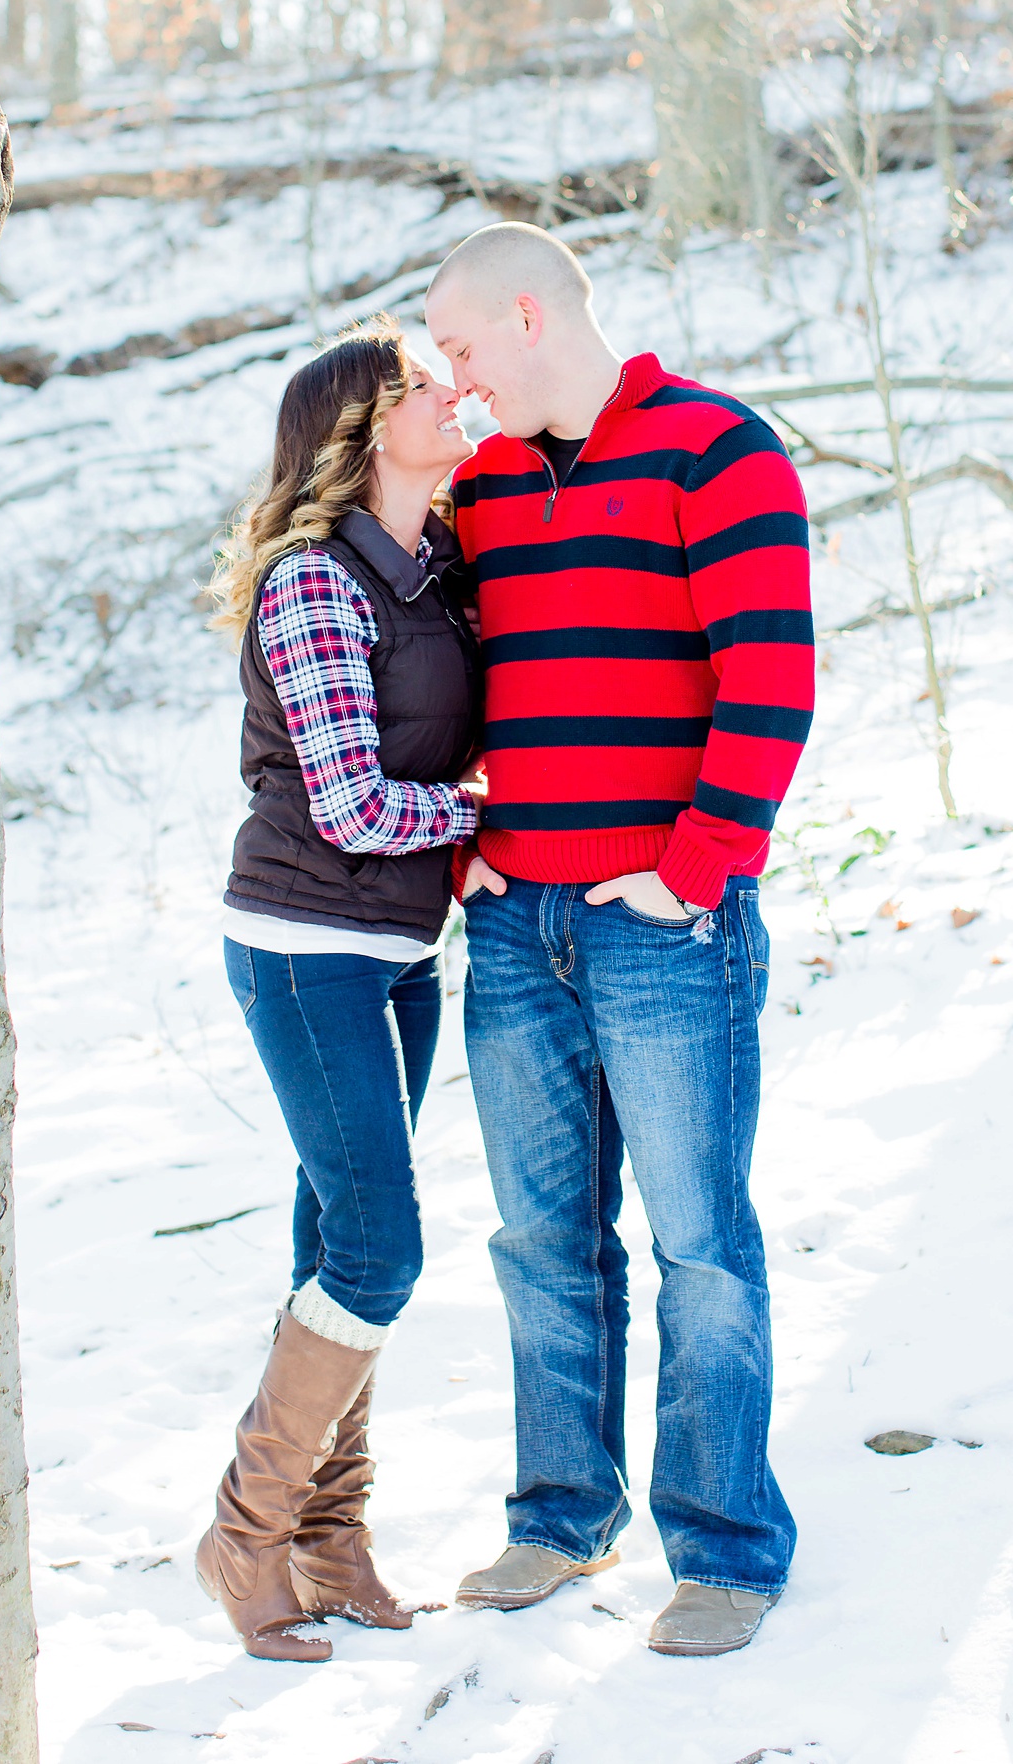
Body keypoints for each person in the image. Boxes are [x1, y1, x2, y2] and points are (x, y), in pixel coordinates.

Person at [426, 223, 814, 1659]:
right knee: (541, 1241)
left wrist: (693, 869)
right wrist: (468, 842)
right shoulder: (478, 487)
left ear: (528, 315)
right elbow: (455, 686)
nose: (452, 382)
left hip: (664, 925)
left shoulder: (718, 452)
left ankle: (722, 1546)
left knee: (700, 1245)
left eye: (459, 349)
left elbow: (768, 680)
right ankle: (560, 1517)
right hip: (516, 926)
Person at [195, 322, 483, 1662]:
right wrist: (482, 810)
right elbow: (357, 806)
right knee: (379, 1250)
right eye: (421, 388)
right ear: (360, 438)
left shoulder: (439, 571)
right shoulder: (314, 583)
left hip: (398, 954)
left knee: (334, 1246)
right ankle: (245, 1535)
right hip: (307, 946)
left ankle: (329, 1537)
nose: (452, 395)